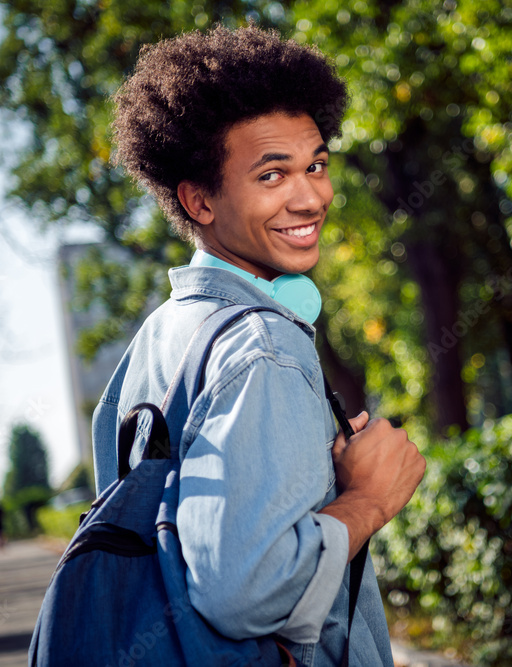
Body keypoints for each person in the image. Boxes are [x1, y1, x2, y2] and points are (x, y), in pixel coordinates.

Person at [92, 24, 426, 666]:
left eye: (316, 165)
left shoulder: (160, 337)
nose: (311, 197)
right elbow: (244, 590)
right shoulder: (260, 345)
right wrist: (368, 500)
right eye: (272, 175)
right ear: (199, 200)